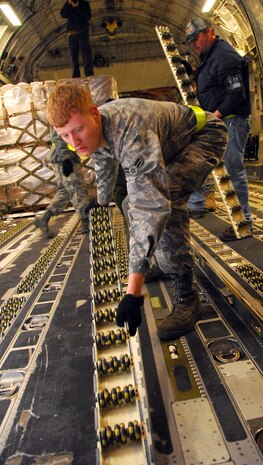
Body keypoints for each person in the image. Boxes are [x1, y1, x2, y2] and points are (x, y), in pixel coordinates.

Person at [46, 82, 227, 340]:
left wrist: (133, 293)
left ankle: (188, 298)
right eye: (65, 136)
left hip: (203, 137)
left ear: (95, 113)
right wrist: (102, 202)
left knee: (166, 201)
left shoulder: (129, 130)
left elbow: (150, 206)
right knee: (131, 202)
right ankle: (164, 262)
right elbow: (104, 164)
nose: (75, 142)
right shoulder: (95, 133)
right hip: (169, 145)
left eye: (78, 130)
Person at [185, 17, 253, 240]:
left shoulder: (224, 56)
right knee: (204, 162)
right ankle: (198, 203)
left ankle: (245, 222)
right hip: (221, 122)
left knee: (233, 170)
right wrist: (194, 74)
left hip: (231, 121)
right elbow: (213, 81)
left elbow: (236, 94)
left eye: (196, 38)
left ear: (209, 32)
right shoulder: (210, 56)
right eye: (190, 41)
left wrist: (214, 116)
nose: (194, 44)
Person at [34, 128, 94, 238]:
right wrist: (66, 158)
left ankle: (44, 219)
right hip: (64, 157)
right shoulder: (63, 113)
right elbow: (59, 136)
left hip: (59, 156)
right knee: (78, 189)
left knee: (65, 191)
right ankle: (86, 223)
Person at [60, 0, 94, 78]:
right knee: (73, 57)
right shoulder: (68, 5)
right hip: (71, 34)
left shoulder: (84, 4)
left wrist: (77, 6)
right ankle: (76, 76)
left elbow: (87, 16)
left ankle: (89, 75)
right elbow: (63, 14)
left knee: (86, 55)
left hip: (82, 32)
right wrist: (69, 4)